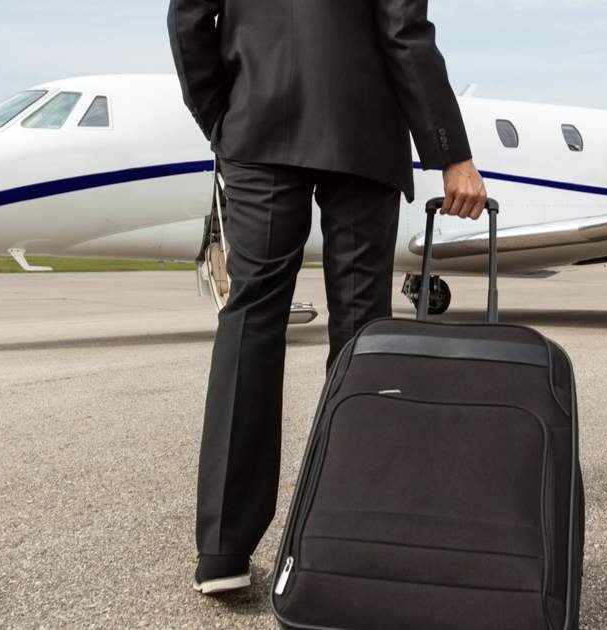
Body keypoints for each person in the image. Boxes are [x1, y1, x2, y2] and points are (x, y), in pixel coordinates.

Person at [169, 0, 488, 595]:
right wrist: (452, 154)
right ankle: (354, 532)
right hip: (362, 134)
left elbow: (188, 20)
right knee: (363, 333)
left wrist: (226, 116)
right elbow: (404, 32)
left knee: (251, 318)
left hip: (255, 128)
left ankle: (222, 549)